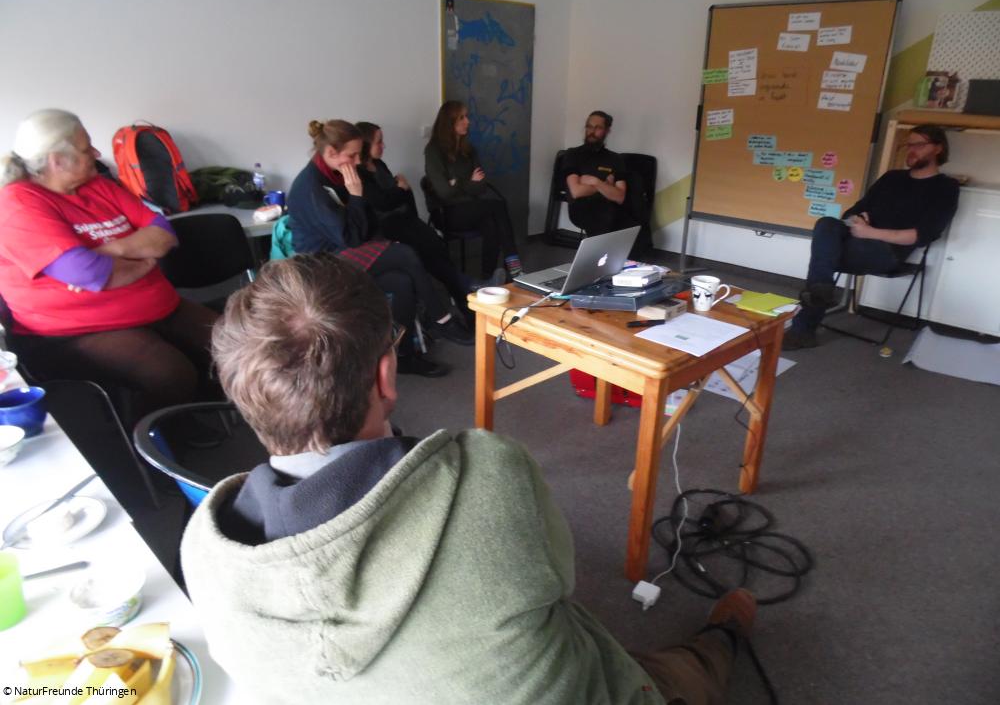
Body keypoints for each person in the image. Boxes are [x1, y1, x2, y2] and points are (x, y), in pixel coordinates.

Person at [181, 252, 757, 705]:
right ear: (386, 376)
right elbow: (560, 581)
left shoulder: (204, 550)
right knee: (671, 671)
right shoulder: (487, 473)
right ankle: (722, 643)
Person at [0, 109, 218, 416]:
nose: (97, 153)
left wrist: (107, 251)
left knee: (242, 343)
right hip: (75, 330)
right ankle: (150, 438)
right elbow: (89, 273)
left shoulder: (98, 186)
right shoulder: (17, 204)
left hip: (159, 307)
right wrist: (143, 259)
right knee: (169, 373)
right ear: (57, 161)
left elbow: (163, 234)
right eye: (86, 148)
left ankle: (214, 418)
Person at [286, 118, 472, 378]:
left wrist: (364, 209)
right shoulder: (311, 187)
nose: (357, 161)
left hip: (342, 251)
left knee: (402, 281)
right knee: (405, 254)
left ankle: (404, 356)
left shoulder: (335, 173)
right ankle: (441, 319)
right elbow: (351, 237)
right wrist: (357, 195)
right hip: (322, 267)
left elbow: (363, 226)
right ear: (331, 152)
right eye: (352, 155)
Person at [783, 124, 959, 350]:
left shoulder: (946, 187)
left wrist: (870, 232)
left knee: (824, 256)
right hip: (856, 240)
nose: (911, 150)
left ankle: (806, 324)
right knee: (826, 223)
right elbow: (852, 211)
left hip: (887, 252)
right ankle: (819, 293)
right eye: (909, 145)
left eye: (919, 145)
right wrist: (857, 219)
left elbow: (922, 235)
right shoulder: (892, 178)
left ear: (938, 148)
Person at [355, 121, 478, 320]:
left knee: (435, 247)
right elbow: (383, 202)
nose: (383, 145)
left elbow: (398, 196)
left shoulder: (379, 165)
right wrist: (400, 189)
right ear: (366, 144)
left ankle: (463, 295)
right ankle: (465, 292)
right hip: (385, 229)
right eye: (379, 142)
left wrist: (400, 191)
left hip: (403, 220)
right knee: (428, 250)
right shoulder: (359, 174)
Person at [424, 101, 521, 281]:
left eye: (466, 117)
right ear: (449, 122)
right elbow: (444, 193)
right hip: (447, 212)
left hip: (473, 207)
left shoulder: (469, 150)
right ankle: (514, 265)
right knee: (497, 206)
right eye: (462, 118)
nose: (467, 121)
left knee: (491, 224)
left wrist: (456, 183)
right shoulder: (433, 151)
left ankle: (488, 277)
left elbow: (481, 185)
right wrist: (468, 182)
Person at [562, 111, 637, 237]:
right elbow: (576, 191)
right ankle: (600, 249)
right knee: (606, 215)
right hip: (581, 207)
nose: (592, 131)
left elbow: (620, 196)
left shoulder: (616, 159)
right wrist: (606, 185)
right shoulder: (572, 154)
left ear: (607, 131)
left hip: (610, 207)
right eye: (589, 126)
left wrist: (595, 182)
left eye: (598, 128)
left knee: (632, 219)